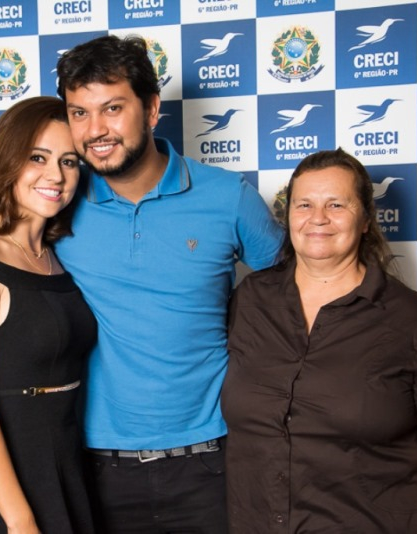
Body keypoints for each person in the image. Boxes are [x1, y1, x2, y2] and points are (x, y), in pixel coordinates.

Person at [54, 35, 284, 532]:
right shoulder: (56, 204)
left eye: (113, 108)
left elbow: (302, 290)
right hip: (95, 467)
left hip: (212, 461)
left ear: (152, 109)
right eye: (79, 113)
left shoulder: (228, 196)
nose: (95, 130)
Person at [222, 148, 417, 533]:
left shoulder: (411, 320)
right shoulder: (248, 301)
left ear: (366, 220)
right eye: (304, 205)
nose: (318, 218)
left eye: (336, 204)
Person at [0, 96, 97, 534]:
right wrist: (19, 519)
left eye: (69, 161)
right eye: (37, 158)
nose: (56, 175)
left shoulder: (53, 254)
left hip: (66, 466)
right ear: (6, 161)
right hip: (7, 487)